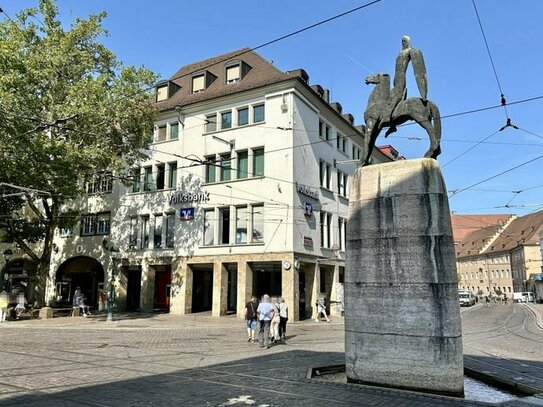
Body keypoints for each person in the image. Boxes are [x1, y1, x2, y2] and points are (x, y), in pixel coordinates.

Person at [382, 35, 428, 135]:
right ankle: (392, 125)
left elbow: (419, 69)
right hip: (396, 79)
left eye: (404, 41)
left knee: (395, 97)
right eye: (401, 41)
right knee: (389, 98)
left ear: (407, 41)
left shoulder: (410, 51)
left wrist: (423, 92)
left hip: (400, 79)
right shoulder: (400, 53)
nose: (402, 42)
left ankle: (388, 118)